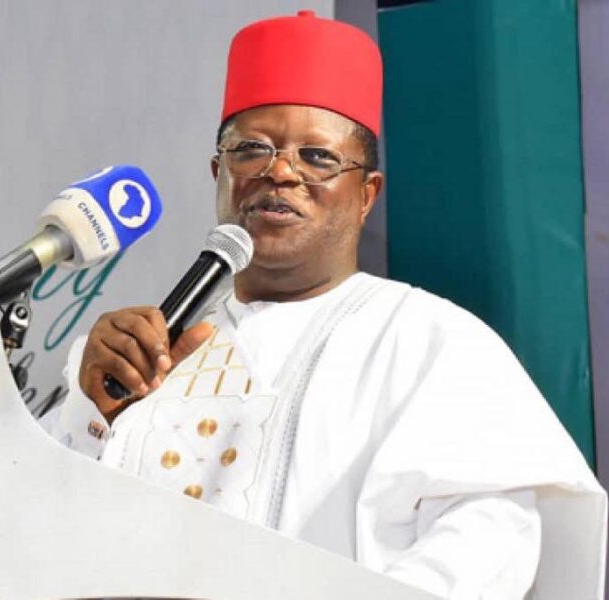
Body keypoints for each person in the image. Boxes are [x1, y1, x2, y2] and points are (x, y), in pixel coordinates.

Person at [47, 10, 607, 600]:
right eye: (251, 149)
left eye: (317, 157)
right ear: (218, 173)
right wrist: (94, 412)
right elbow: (33, 528)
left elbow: (488, 541)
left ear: (366, 195)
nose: (279, 173)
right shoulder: (139, 353)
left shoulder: (434, 343)